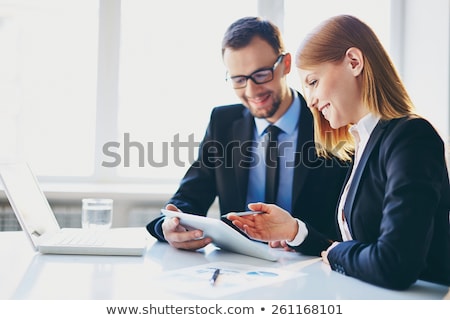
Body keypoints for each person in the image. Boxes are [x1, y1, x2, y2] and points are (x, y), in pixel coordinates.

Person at [228, 14, 450, 290]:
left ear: (354, 62)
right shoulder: (363, 141)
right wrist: (294, 231)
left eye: (313, 82)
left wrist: (335, 253)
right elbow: (352, 247)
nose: (310, 100)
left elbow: (393, 263)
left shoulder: (411, 138)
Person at [146, 16, 349, 253]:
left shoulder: (329, 120)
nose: (252, 90)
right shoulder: (223, 123)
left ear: (285, 65)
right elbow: (189, 196)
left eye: (261, 74)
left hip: (311, 264)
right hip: (239, 265)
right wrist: (169, 225)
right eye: (239, 80)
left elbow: (346, 221)